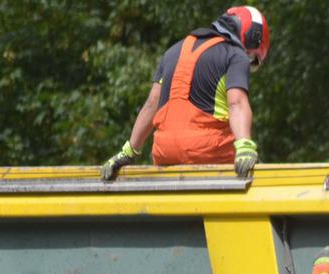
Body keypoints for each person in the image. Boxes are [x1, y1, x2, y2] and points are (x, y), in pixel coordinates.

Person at [101, 6, 270, 180]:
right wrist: (245, 147)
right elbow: (237, 103)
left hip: (165, 155)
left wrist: (128, 152)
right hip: (208, 154)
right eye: (252, 57)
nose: (248, 61)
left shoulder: (172, 52)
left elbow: (151, 105)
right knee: (252, 172)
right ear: (251, 36)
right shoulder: (235, 55)